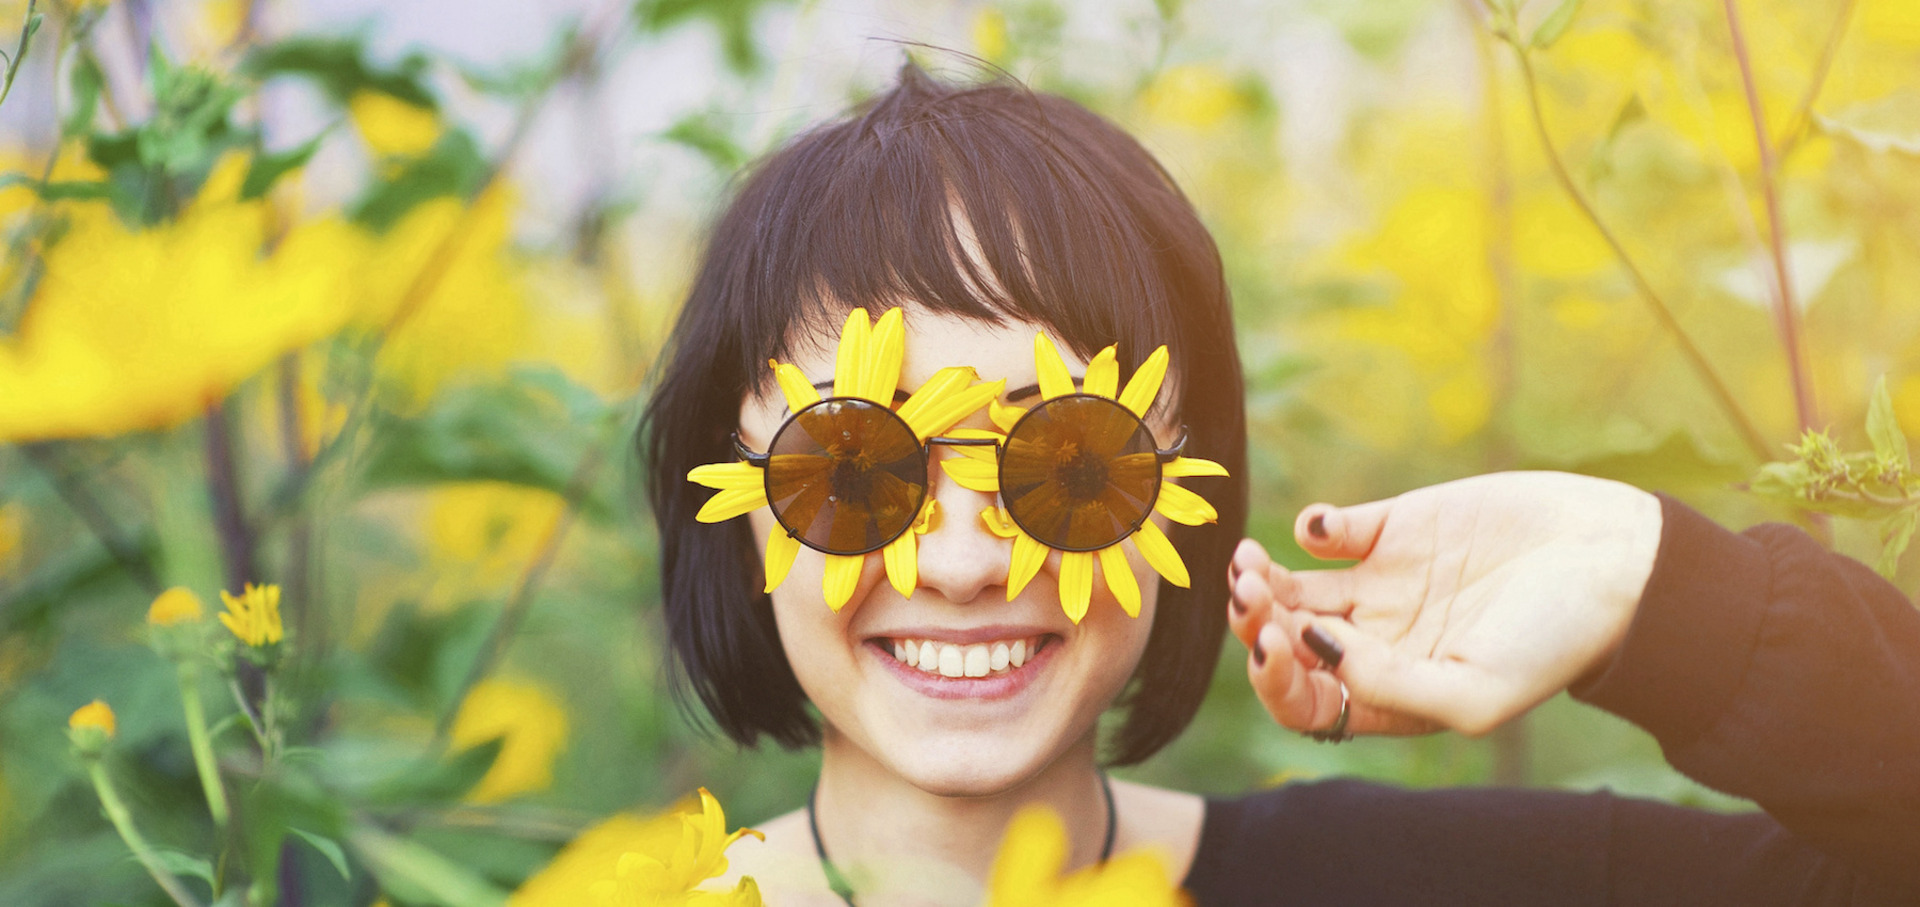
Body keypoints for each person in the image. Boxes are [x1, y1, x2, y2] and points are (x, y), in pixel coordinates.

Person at [639, 65, 1920, 905]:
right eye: (855, 465)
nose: (968, 561)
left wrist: (1655, 591)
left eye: (1070, 457)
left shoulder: (1406, 888)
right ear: (732, 505)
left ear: (1189, 496)